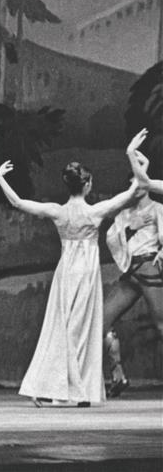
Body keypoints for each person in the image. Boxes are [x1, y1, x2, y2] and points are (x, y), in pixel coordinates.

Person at [0, 135, 146, 407]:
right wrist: (135, 157)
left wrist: (0, 178)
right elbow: (134, 192)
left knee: (65, 328)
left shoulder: (58, 212)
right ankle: (72, 389)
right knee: (80, 329)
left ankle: (71, 388)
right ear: (87, 185)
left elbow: (18, 202)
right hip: (84, 274)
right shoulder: (94, 212)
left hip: (67, 273)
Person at [104, 165, 163, 397]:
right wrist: (131, 227)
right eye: (132, 185)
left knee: (161, 325)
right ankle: (118, 374)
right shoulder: (124, 214)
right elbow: (112, 239)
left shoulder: (158, 208)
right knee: (102, 321)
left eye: (139, 184)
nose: (136, 189)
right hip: (131, 272)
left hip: (149, 268)